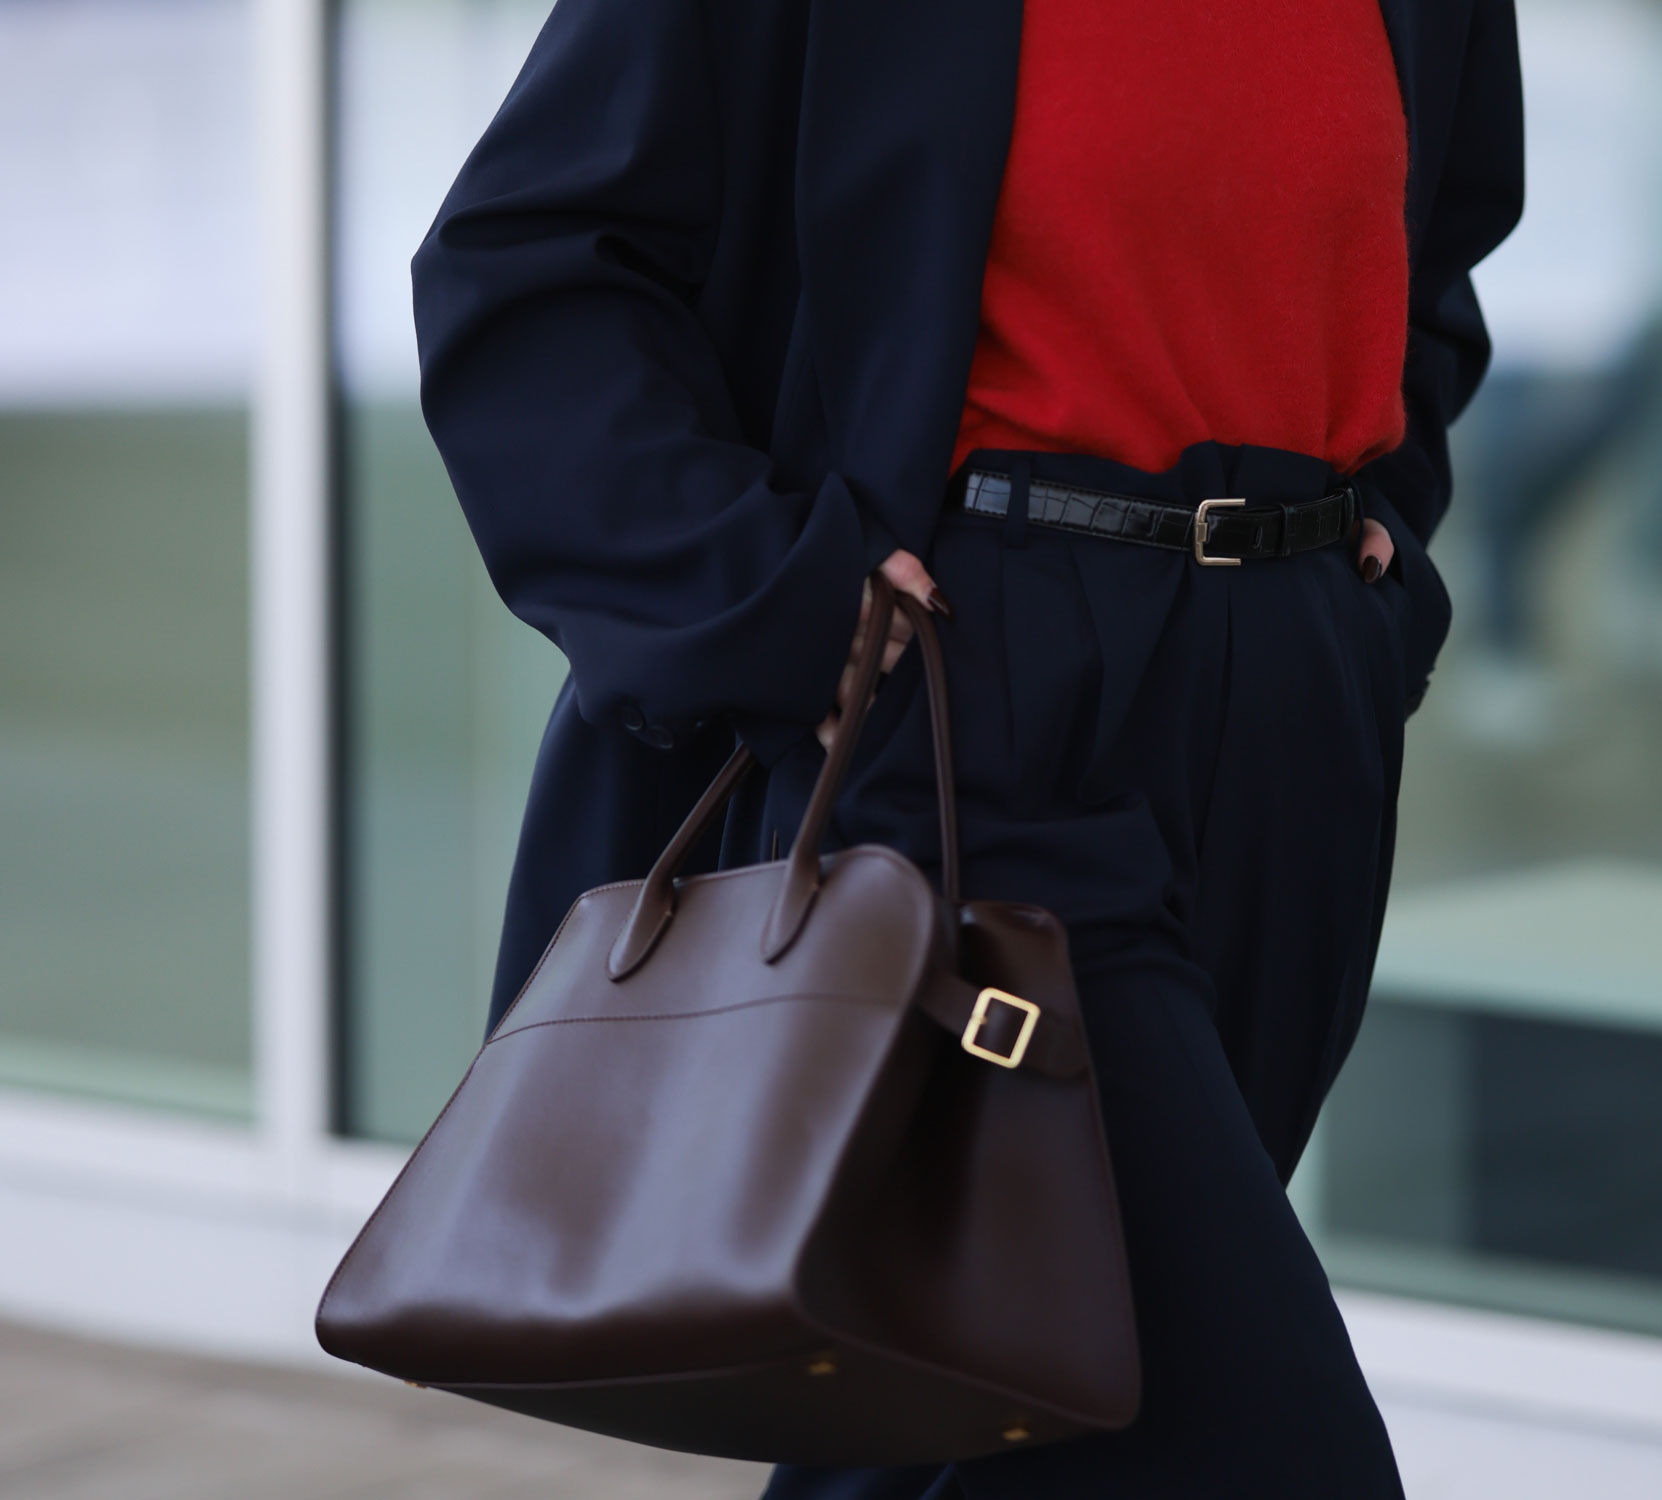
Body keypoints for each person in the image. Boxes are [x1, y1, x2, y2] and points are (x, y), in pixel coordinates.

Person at [410, 0, 1521, 1492]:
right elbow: (531, 266)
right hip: (969, 702)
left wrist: (1376, 548)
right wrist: (773, 608)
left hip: (1289, 706)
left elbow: (1431, 246)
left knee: (986, 1402)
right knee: (1253, 1440)